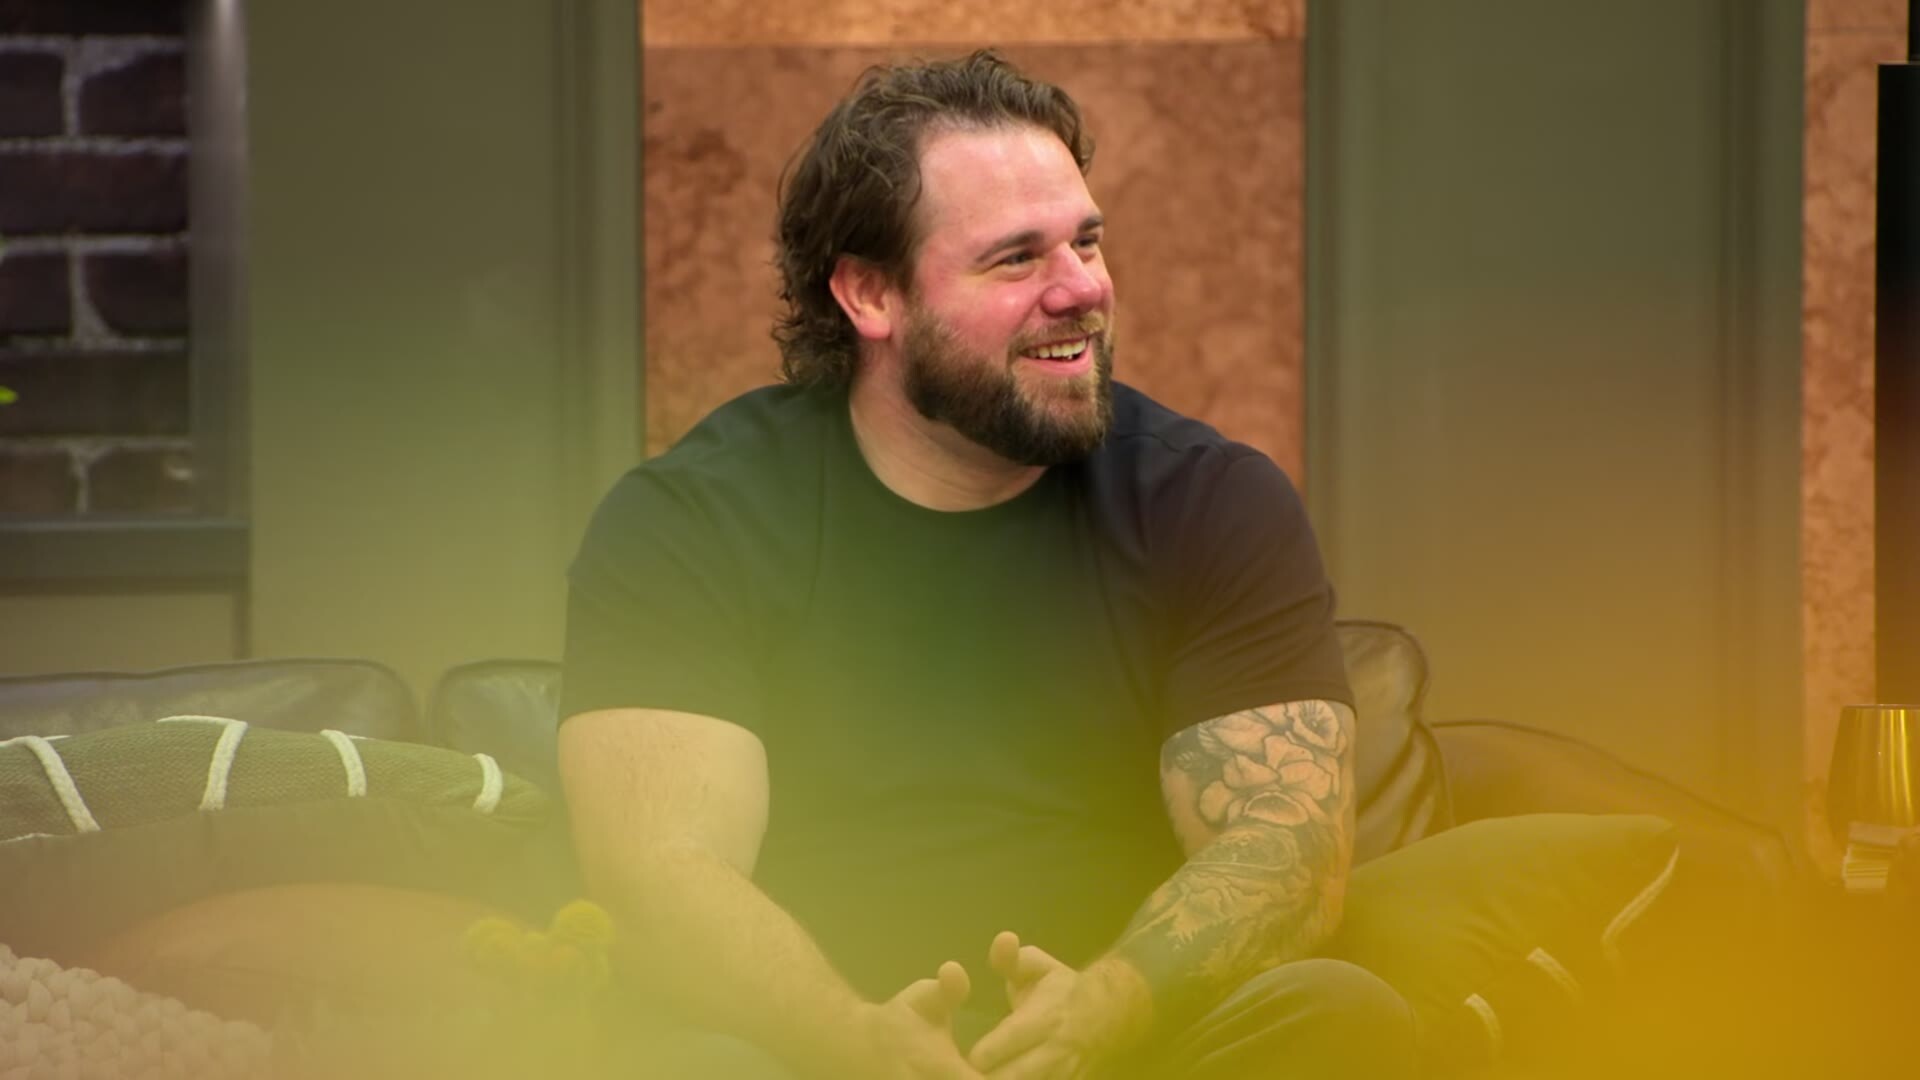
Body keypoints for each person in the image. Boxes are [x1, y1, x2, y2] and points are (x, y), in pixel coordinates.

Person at [557, 50, 1417, 1079]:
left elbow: (1287, 851)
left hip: (1141, 1045)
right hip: (808, 1053)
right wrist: (851, 1040)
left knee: (1340, 1012)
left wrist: (1107, 1007)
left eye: (1086, 241)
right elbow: (659, 876)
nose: (1082, 290)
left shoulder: (1210, 500)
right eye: (1016, 260)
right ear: (870, 294)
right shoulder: (690, 521)